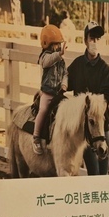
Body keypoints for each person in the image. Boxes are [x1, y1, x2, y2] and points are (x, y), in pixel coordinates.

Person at [67, 21, 109, 175]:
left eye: (98, 39)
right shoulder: (77, 65)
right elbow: (63, 82)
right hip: (84, 128)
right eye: (92, 38)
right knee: (93, 172)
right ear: (85, 40)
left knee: (103, 171)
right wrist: (45, 90)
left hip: (100, 124)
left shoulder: (104, 69)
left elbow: (106, 95)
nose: (95, 42)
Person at [33, 24, 68, 154]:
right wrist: (59, 54)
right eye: (56, 44)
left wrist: (64, 84)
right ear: (47, 44)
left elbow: (65, 73)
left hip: (58, 93)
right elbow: (48, 61)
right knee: (43, 110)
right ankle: (36, 137)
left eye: (59, 44)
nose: (59, 47)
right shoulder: (45, 57)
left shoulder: (61, 60)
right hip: (47, 93)